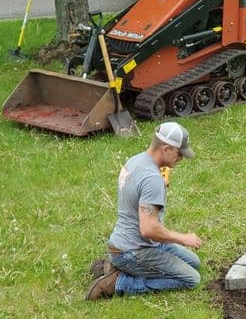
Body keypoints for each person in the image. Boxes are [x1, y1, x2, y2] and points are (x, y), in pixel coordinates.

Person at [86, 121, 204, 300]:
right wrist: (183, 238)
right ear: (166, 149)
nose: (181, 158)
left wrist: (156, 187)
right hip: (132, 250)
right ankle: (118, 282)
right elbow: (148, 229)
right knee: (191, 279)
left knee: (194, 262)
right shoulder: (152, 179)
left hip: (130, 242)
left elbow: (137, 189)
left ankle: (111, 265)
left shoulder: (137, 161)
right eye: (179, 153)